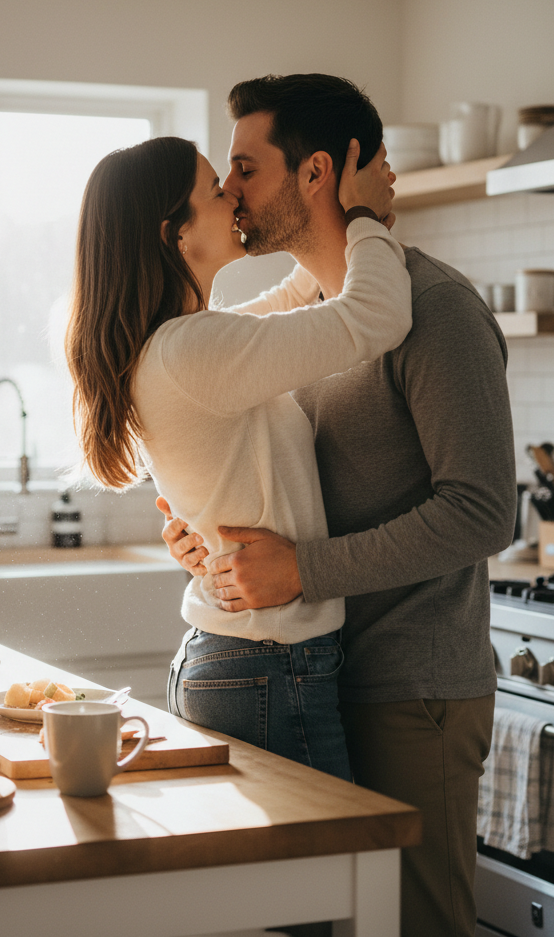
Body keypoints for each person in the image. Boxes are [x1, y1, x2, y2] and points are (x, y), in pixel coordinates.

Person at [159, 73, 517, 937]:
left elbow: (482, 511)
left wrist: (301, 568)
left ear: (316, 174)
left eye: (245, 167)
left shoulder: (433, 310)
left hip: (410, 686)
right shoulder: (314, 314)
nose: (230, 192)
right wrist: (199, 527)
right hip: (312, 672)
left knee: (416, 924)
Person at [64, 132, 411, 781]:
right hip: (270, 668)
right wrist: (360, 219)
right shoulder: (193, 350)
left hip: (250, 662)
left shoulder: (175, 345)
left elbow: (286, 307)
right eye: (214, 190)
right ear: (177, 234)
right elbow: (375, 318)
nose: (232, 195)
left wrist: (331, 210)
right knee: (319, 878)